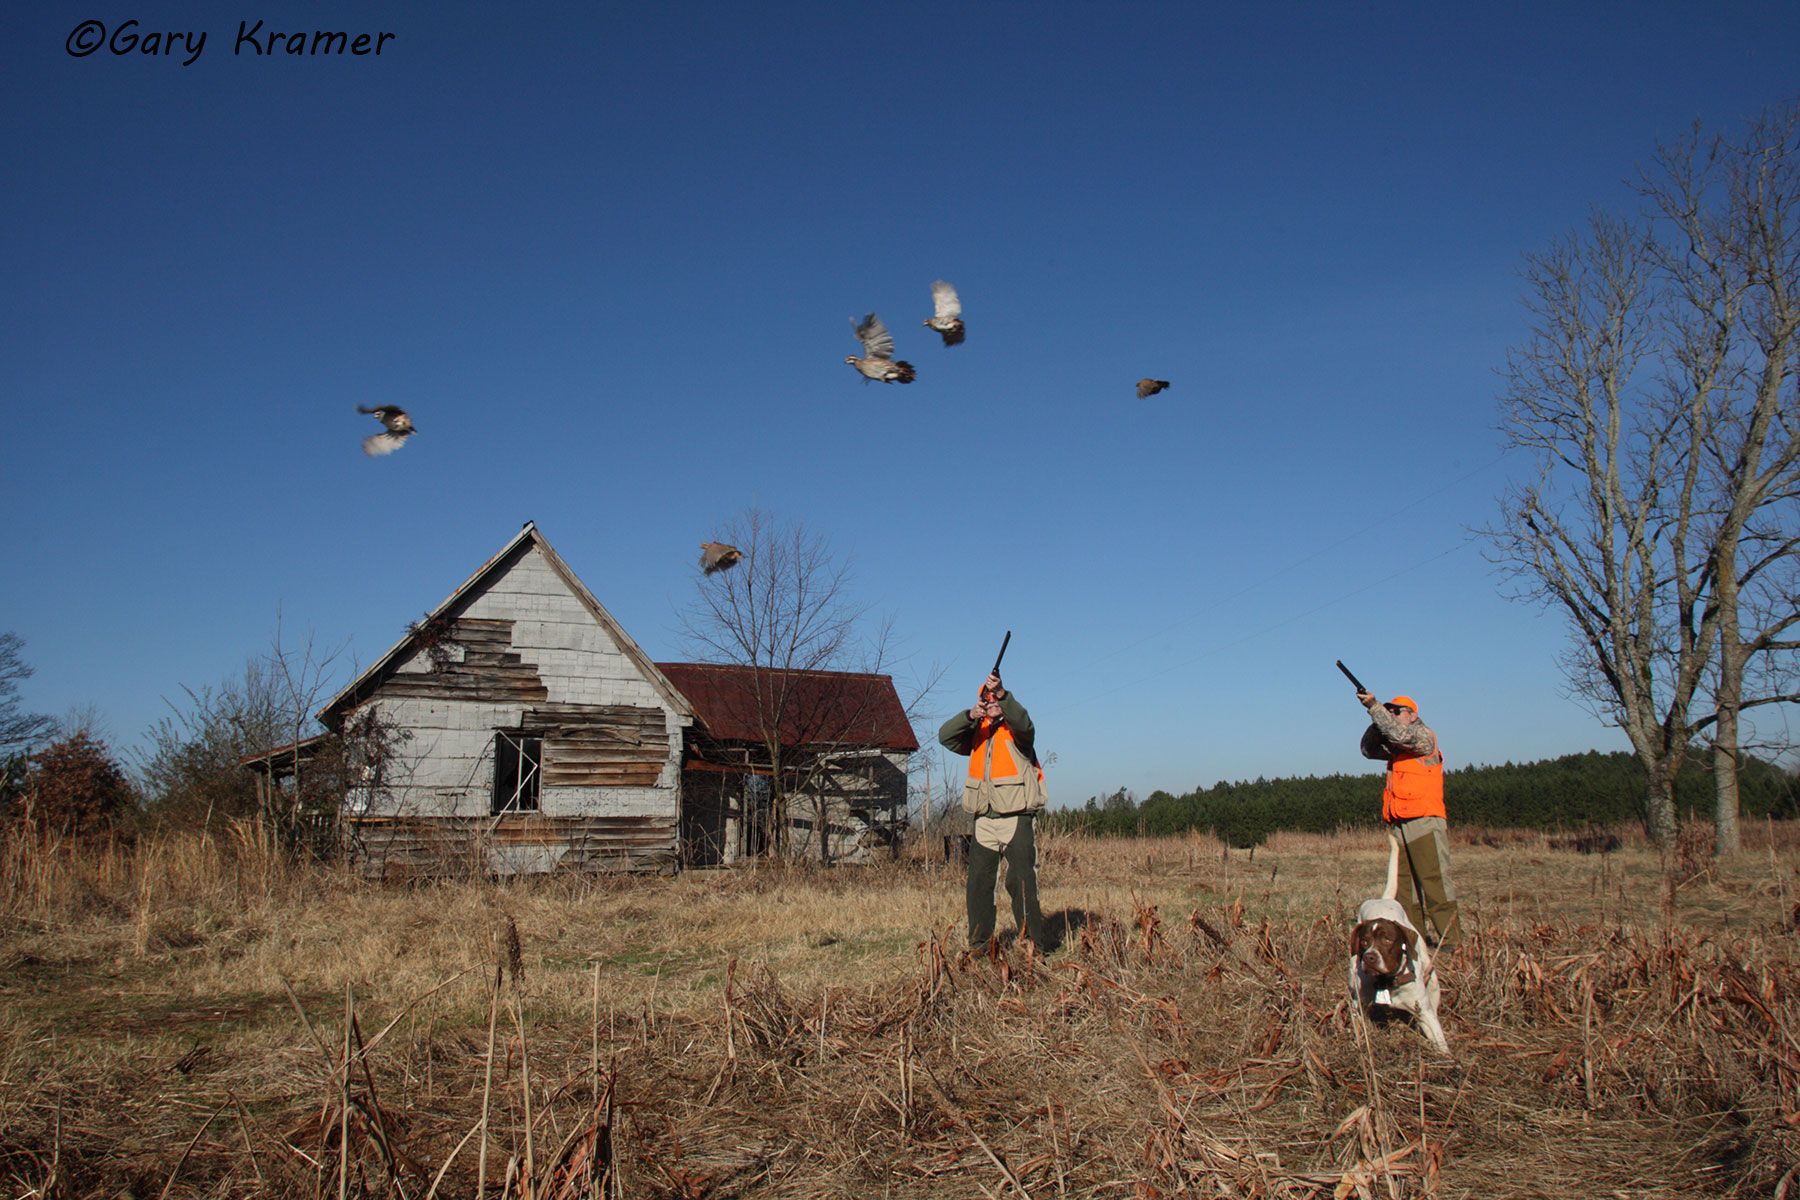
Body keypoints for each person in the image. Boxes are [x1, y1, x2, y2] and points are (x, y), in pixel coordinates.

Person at [939, 672, 1048, 952]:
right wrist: (970, 715)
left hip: (1016, 817)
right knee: (978, 885)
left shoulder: (1018, 733)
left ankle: (1035, 945)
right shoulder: (977, 733)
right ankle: (979, 946)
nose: (993, 704)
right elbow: (945, 736)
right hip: (984, 820)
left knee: (1021, 884)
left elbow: (1026, 724)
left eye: (996, 700)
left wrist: (1002, 694)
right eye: (988, 700)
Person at [1357, 691, 1463, 950]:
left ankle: (1453, 942)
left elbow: (1399, 734)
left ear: (1413, 715)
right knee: (1405, 889)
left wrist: (1375, 707)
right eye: (1390, 711)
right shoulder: (1396, 746)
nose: (1393, 714)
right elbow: (1367, 749)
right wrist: (1375, 715)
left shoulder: (1422, 736)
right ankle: (1414, 940)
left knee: (1434, 881)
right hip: (1400, 822)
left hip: (1424, 820)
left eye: (1398, 711)